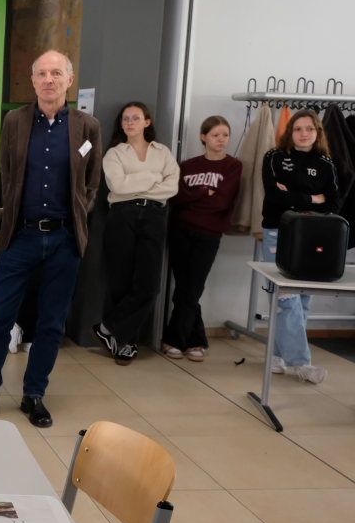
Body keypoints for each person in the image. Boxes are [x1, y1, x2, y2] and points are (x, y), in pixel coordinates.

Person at [0, 50, 102, 427]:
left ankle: (34, 394)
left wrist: (78, 214)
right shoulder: (15, 121)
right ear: (33, 80)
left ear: (69, 80)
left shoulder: (87, 127)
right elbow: (8, 174)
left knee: (51, 323)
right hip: (21, 236)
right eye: (41, 73)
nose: (48, 80)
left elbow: (92, 183)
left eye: (56, 73)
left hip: (64, 240)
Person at [92, 102, 179, 365]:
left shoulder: (162, 152)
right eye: (125, 119)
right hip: (122, 216)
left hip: (154, 216)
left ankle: (107, 327)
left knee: (148, 285)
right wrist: (152, 177)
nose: (129, 123)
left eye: (135, 118)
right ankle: (125, 344)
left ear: (146, 122)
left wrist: (137, 183)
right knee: (120, 281)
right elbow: (118, 186)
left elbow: (172, 186)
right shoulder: (114, 153)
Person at [260, 110, 338, 383]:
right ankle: (301, 363)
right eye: (298, 128)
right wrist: (313, 198)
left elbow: (333, 203)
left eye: (310, 129)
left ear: (318, 133)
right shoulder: (274, 157)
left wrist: (293, 196)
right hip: (278, 232)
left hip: (313, 236)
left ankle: (278, 356)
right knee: (286, 298)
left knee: (303, 300)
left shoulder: (325, 163)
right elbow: (274, 197)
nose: (304, 134)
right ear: (290, 132)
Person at [162, 116, 242, 361]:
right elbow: (176, 197)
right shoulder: (187, 165)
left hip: (208, 234)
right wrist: (204, 192)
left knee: (192, 287)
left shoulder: (233, 166)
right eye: (216, 135)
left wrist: (194, 196)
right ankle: (197, 341)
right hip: (180, 231)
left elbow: (221, 202)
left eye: (225, 135)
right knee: (185, 288)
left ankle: (174, 339)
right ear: (203, 137)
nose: (221, 140)